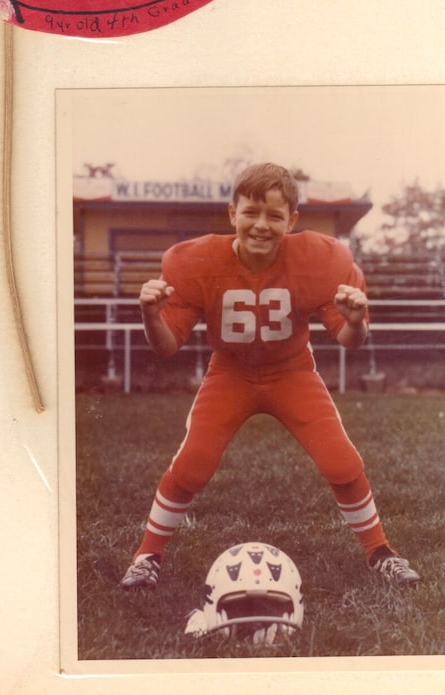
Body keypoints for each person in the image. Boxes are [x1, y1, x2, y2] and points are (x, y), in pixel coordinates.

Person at [120, 162, 420, 590]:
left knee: (342, 462)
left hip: (292, 370)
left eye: (275, 216)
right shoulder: (196, 260)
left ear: (292, 221)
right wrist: (150, 316)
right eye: (251, 213)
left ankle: (380, 551)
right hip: (231, 372)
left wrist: (356, 320)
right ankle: (147, 554)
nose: (261, 225)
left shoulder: (320, 258)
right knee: (191, 465)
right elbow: (166, 346)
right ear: (232, 214)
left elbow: (349, 340)